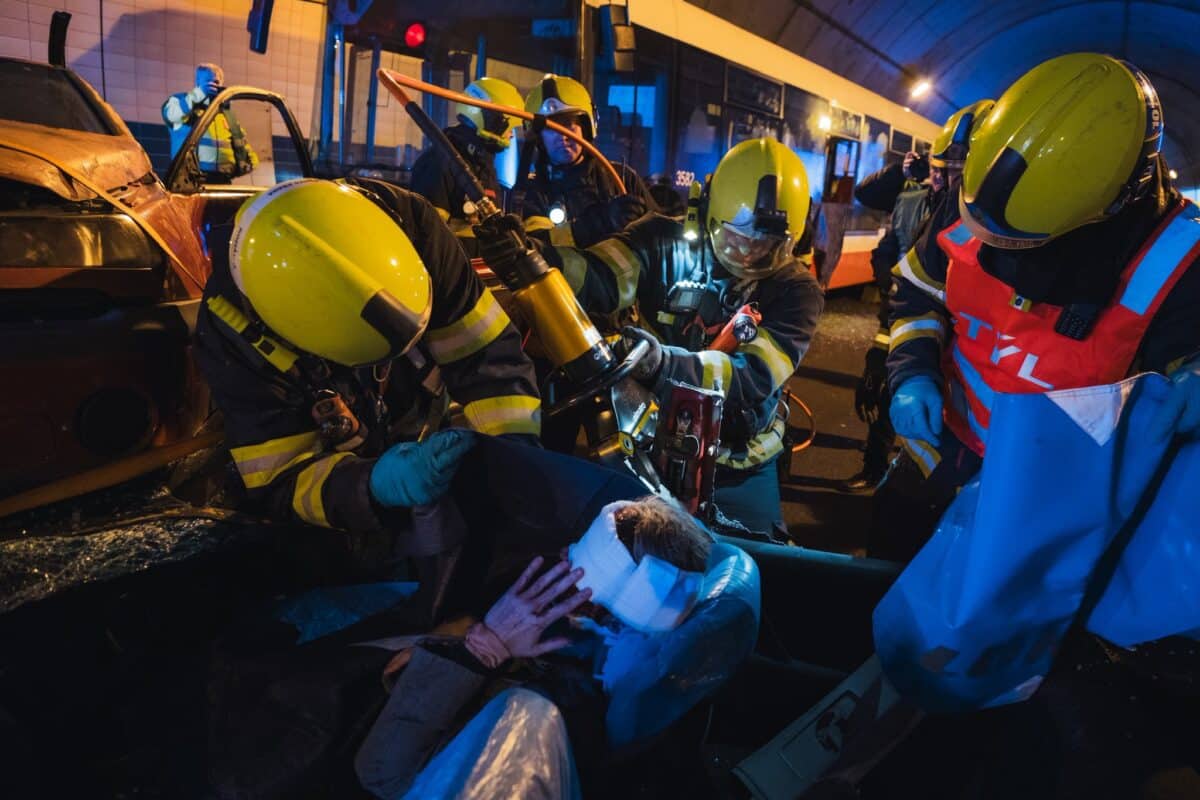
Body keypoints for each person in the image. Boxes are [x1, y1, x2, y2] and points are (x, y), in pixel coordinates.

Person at [872, 53, 1200, 561]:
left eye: (1021, 241)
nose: (992, 247)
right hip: (937, 461)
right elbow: (917, 291)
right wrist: (913, 374)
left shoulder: (1180, 264)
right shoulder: (978, 196)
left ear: (1103, 210)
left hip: (1056, 513)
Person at [192, 177, 540, 575]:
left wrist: (515, 455)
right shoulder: (233, 333)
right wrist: (376, 485)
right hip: (351, 501)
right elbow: (282, 479)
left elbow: (486, 357)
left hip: (420, 424)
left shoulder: (413, 226)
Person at [480, 137, 824, 535]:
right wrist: (528, 257)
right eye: (735, 237)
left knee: (758, 559)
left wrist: (661, 363)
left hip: (741, 462)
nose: (747, 255)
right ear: (706, 210)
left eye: (766, 247)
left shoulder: (797, 291)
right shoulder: (659, 241)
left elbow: (751, 375)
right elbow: (597, 276)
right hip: (651, 443)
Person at [354, 494, 713, 799]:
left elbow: (381, 774)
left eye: (569, 579)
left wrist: (482, 649)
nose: (556, 561)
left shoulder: (543, 710)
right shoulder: (655, 668)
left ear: (595, 609)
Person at [844, 101, 993, 492]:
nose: (943, 181)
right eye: (939, 170)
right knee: (882, 396)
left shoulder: (983, 222)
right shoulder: (913, 199)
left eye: (954, 172)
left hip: (950, 351)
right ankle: (875, 467)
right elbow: (889, 249)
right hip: (898, 316)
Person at [517, 74, 657, 249]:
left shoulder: (621, 178)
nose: (563, 136)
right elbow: (538, 245)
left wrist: (646, 223)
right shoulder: (532, 191)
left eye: (569, 124)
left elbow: (658, 236)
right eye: (551, 128)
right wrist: (600, 221)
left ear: (587, 128)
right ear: (539, 138)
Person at [408, 77, 524, 256]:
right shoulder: (439, 162)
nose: (511, 134)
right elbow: (429, 240)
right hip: (455, 278)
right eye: (508, 125)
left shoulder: (483, 165)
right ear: (487, 118)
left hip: (479, 276)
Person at [162, 62, 258, 181]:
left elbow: (239, 139)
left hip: (223, 179)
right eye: (208, 81)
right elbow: (172, 116)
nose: (213, 85)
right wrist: (198, 94)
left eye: (216, 82)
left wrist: (250, 163)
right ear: (197, 83)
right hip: (192, 180)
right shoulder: (181, 101)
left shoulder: (224, 112)